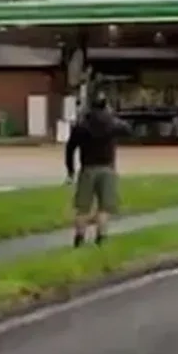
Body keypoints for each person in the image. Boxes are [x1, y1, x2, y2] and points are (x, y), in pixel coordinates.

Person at [65, 95, 129, 247]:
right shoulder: (111, 123)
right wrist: (112, 116)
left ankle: (79, 238)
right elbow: (127, 129)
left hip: (87, 168)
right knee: (104, 207)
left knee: (83, 207)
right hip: (107, 168)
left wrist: (70, 170)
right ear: (106, 106)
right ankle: (101, 237)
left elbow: (70, 149)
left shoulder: (82, 126)